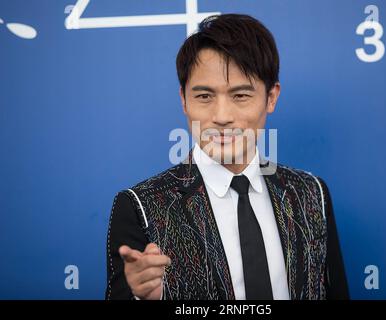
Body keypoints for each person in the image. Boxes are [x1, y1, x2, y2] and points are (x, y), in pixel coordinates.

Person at [105, 14, 349, 300]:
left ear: (271, 97)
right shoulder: (140, 206)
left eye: (241, 96)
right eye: (205, 96)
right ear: (184, 100)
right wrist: (141, 297)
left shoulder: (311, 194)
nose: (221, 117)